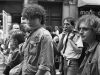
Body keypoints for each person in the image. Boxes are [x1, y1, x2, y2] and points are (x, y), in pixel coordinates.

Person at [10, 4, 55, 75]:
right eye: (27, 18)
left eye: (32, 18)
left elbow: (45, 65)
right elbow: (25, 54)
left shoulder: (44, 35)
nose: (28, 21)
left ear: (40, 19)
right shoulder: (31, 33)